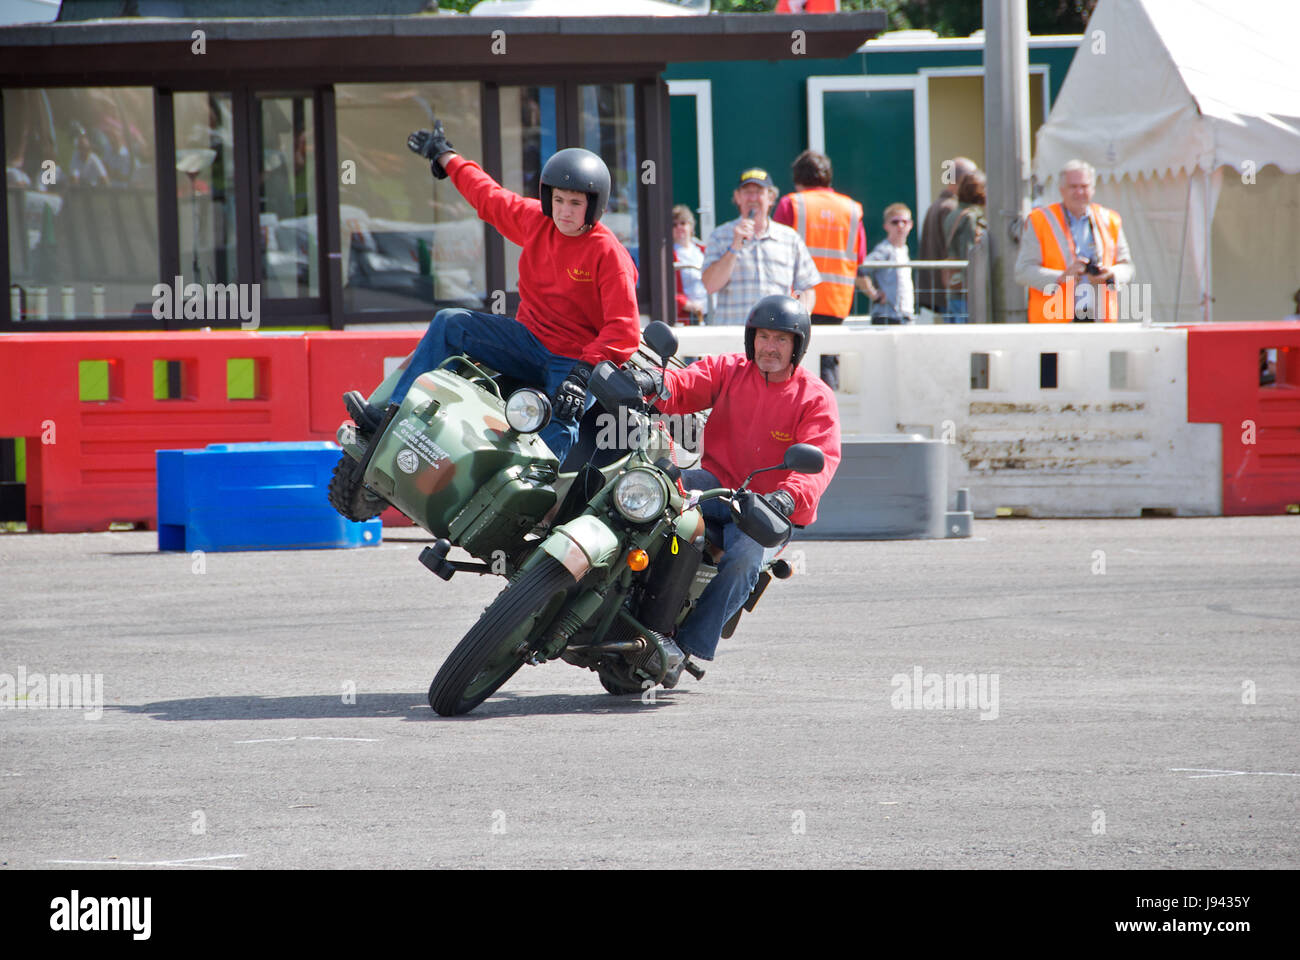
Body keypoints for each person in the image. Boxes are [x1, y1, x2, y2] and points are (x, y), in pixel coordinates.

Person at [345, 121, 640, 462]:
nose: (564, 211)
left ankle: (534, 487)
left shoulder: (608, 253)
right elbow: (487, 195)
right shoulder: (537, 221)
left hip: (575, 360)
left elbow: (623, 329)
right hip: (528, 341)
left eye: (575, 203)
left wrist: (583, 374)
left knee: (564, 413)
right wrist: (445, 156)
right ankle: (391, 419)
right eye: (558, 200)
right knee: (450, 322)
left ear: (595, 205)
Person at [628, 295, 841, 677]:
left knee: (744, 561)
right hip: (716, 483)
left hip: (766, 508)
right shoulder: (729, 369)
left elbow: (818, 463)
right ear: (751, 339)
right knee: (654, 485)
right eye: (763, 337)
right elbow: (684, 385)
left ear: (798, 346)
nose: (770, 348)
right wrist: (652, 383)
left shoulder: (815, 397)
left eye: (781, 339)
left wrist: (786, 496)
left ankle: (682, 648)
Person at [772, 149, 867, 389]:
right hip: (837, 302)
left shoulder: (791, 203)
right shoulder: (852, 209)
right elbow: (861, 256)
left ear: (797, 178)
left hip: (798, 300)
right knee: (827, 363)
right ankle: (826, 414)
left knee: (793, 364)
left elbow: (776, 249)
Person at [1014, 159, 1135, 323]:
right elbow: (1023, 271)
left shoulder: (1110, 219)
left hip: (1099, 319)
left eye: (1084, 186)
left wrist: (1110, 274)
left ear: (1092, 190)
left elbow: (1127, 267)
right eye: (1073, 187)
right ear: (1061, 189)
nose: (1079, 192)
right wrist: (1061, 277)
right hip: (1054, 322)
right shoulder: (1039, 220)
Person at [700, 167, 820, 325]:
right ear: (737, 197)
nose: (753, 198)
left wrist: (799, 320)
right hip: (733, 336)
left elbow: (807, 288)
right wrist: (734, 247)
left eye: (759, 192)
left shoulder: (790, 238)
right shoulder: (719, 236)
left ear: (771, 198)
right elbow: (710, 285)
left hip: (774, 338)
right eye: (747, 192)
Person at [917, 156, 976, 317]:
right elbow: (960, 250)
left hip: (941, 290)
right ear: (963, 181)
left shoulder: (936, 206)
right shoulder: (952, 209)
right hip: (953, 290)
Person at [856, 203, 915, 324]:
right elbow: (859, 270)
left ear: (910, 225)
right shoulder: (884, 250)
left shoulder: (904, 249)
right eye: (895, 222)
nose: (900, 225)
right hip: (887, 316)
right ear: (886, 226)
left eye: (904, 221)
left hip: (905, 314)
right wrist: (874, 295)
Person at [941, 172, 987, 323]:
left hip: (955, 289)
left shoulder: (954, 214)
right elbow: (970, 255)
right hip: (967, 293)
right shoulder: (971, 217)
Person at [672, 204, 708, 324]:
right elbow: (663, 289)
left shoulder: (703, 250)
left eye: (683, 223)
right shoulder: (668, 254)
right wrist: (686, 304)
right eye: (674, 225)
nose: (679, 227)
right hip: (688, 316)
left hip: (710, 311)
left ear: (691, 226)